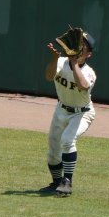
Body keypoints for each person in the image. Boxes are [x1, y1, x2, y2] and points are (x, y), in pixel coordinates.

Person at [42, 30, 97, 197]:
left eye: (85, 47)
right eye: (80, 44)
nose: (81, 48)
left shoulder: (89, 72)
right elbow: (49, 76)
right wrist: (54, 59)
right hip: (61, 110)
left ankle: (67, 181)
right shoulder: (61, 62)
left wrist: (74, 64)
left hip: (82, 113)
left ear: (89, 54)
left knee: (67, 140)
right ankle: (56, 182)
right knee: (53, 151)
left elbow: (83, 85)